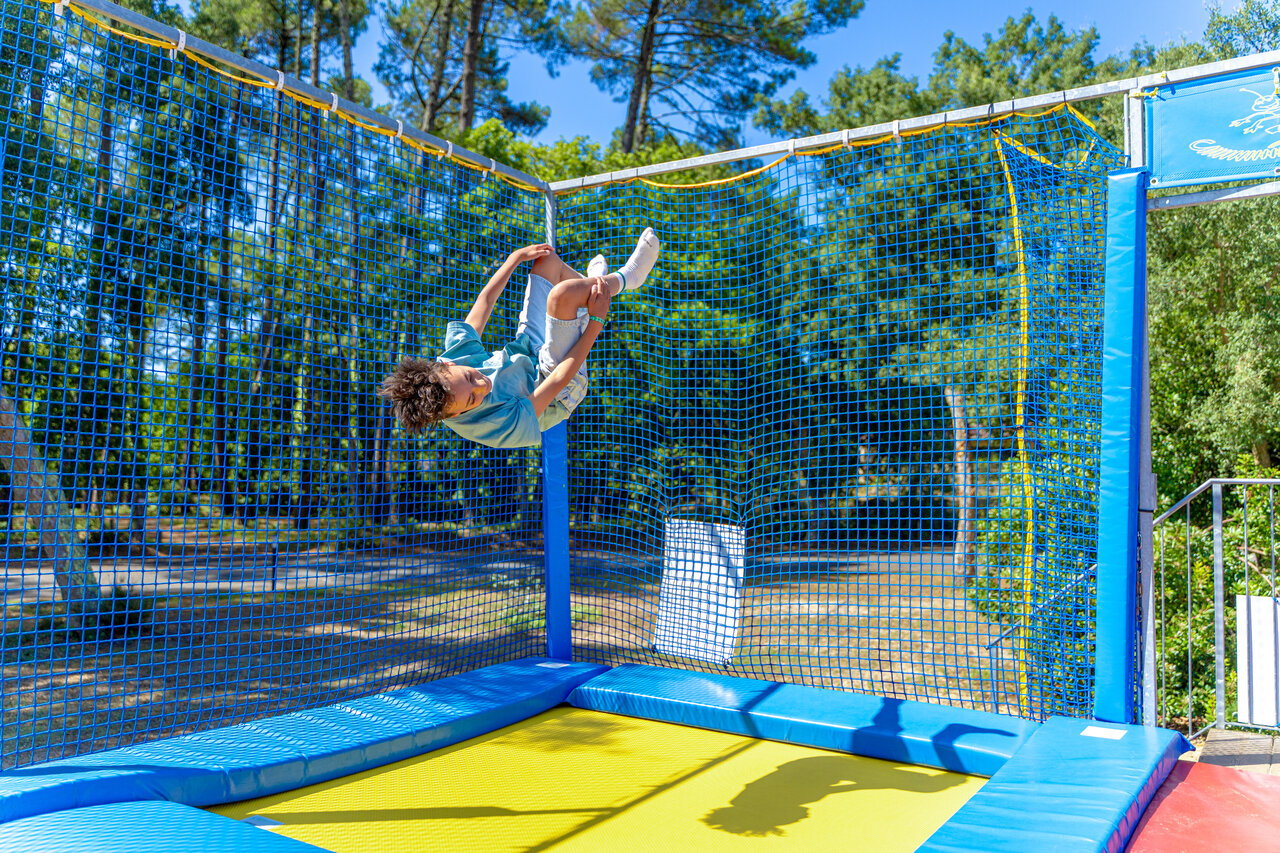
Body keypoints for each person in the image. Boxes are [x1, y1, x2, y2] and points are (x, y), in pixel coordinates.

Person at [378, 229, 662, 448]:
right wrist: (597, 321)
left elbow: (485, 303)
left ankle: (592, 287)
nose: (481, 385)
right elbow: (559, 380)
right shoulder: (495, 425)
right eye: (472, 399)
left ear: (448, 365)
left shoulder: (449, 363)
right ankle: (627, 278)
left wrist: (513, 259)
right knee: (562, 297)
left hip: (528, 348)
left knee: (547, 261)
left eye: (469, 377)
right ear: (454, 416)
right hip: (559, 388)